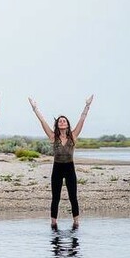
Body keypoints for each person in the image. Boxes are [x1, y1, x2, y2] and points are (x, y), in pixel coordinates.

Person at [28, 95, 94, 229]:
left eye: (64, 121)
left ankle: (76, 223)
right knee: (56, 197)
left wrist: (87, 105)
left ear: (68, 124)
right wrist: (35, 108)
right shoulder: (53, 137)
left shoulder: (73, 136)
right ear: (58, 124)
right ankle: (53, 223)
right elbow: (42, 121)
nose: (62, 122)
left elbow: (82, 119)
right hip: (57, 168)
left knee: (73, 197)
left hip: (70, 168)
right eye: (60, 121)